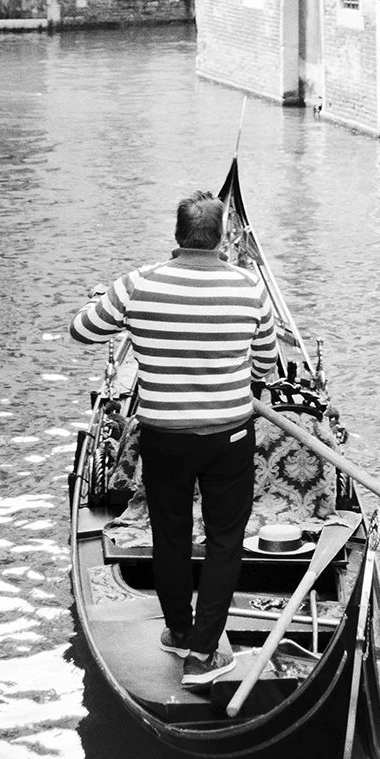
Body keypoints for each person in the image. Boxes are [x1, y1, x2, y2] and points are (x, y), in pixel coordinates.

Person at [70, 189, 279, 686]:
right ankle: (205, 651)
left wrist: (105, 305)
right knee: (226, 541)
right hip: (229, 436)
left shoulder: (137, 284)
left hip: (163, 437)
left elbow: (81, 331)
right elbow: (266, 366)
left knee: (170, 536)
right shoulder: (249, 288)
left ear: (177, 236)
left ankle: (180, 633)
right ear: (224, 238)